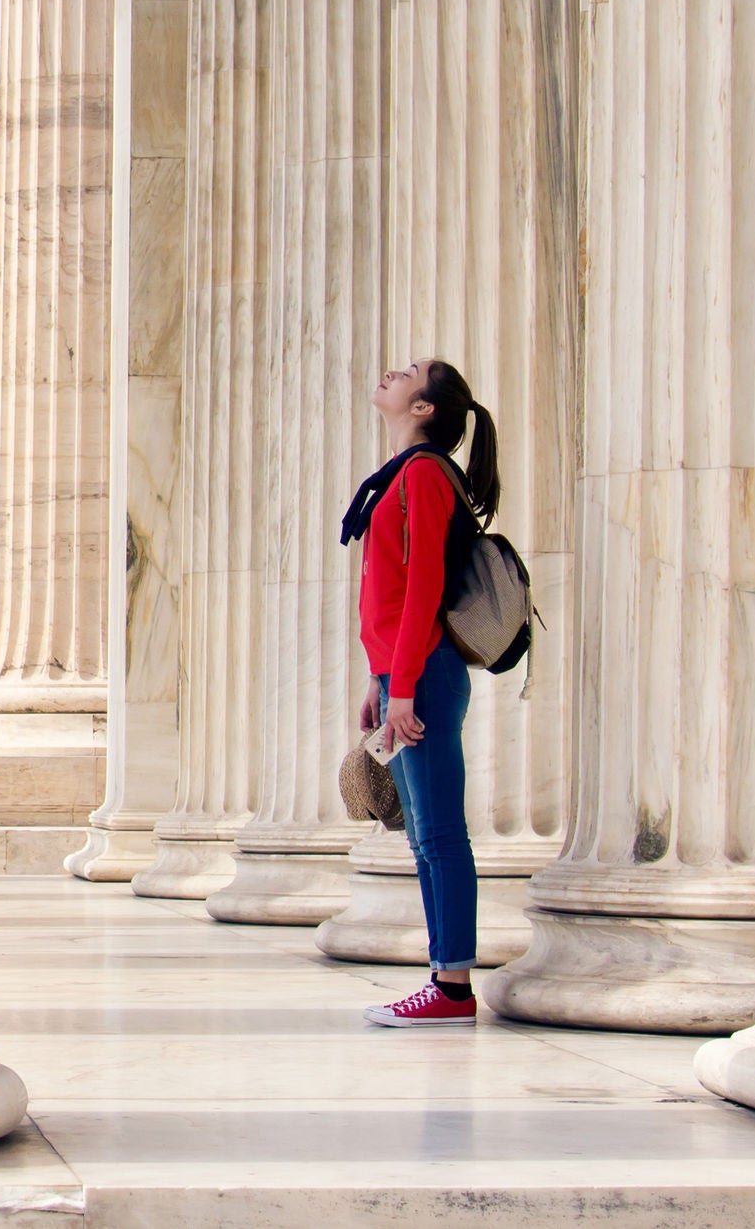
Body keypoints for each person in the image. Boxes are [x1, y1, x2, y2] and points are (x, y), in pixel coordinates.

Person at [339, 359, 501, 1027]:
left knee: (439, 833)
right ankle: (443, 976)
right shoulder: (405, 476)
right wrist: (381, 682)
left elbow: (425, 589)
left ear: (424, 408)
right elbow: (393, 591)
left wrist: (401, 684)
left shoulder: (428, 475)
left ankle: (453, 986)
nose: (390, 372)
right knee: (423, 838)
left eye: (408, 372)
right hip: (405, 675)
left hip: (425, 675)